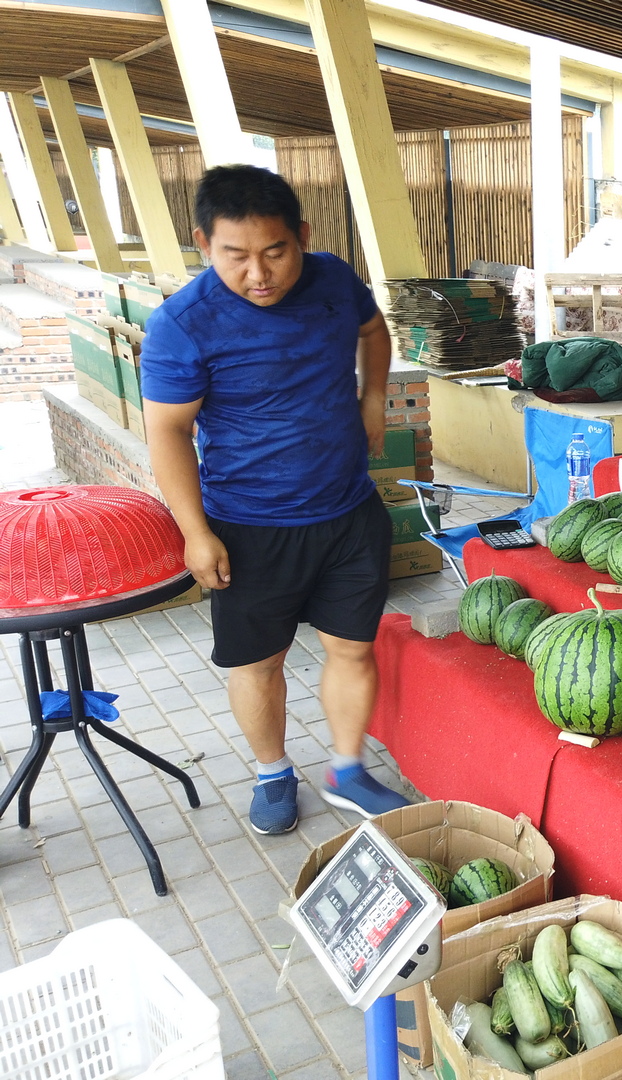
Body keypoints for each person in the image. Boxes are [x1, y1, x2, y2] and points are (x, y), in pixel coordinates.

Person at [142, 164, 411, 835]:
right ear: (204, 244)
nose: (258, 274)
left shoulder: (333, 280)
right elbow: (168, 430)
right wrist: (194, 532)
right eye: (235, 256)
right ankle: (271, 772)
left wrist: (373, 398)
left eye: (274, 252)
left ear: (302, 236)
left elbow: (373, 331)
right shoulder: (183, 324)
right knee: (258, 662)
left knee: (352, 649)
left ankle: (347, 770)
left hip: (348, 512)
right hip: (248, 525)